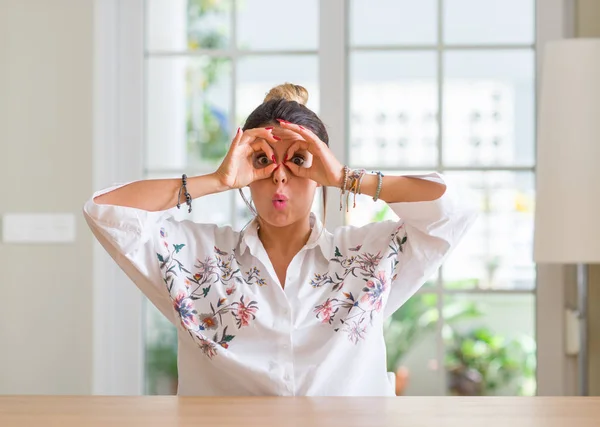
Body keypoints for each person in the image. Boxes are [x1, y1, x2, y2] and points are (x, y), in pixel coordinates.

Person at [83, 83, 477, 396]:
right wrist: (217, 180)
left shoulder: (371, 257)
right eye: (262, 160)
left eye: (299, 160)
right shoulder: (194, 260)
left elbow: (454, 212)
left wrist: (345, 178)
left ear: (320, 167)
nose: (280, 175)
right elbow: (105, 210)